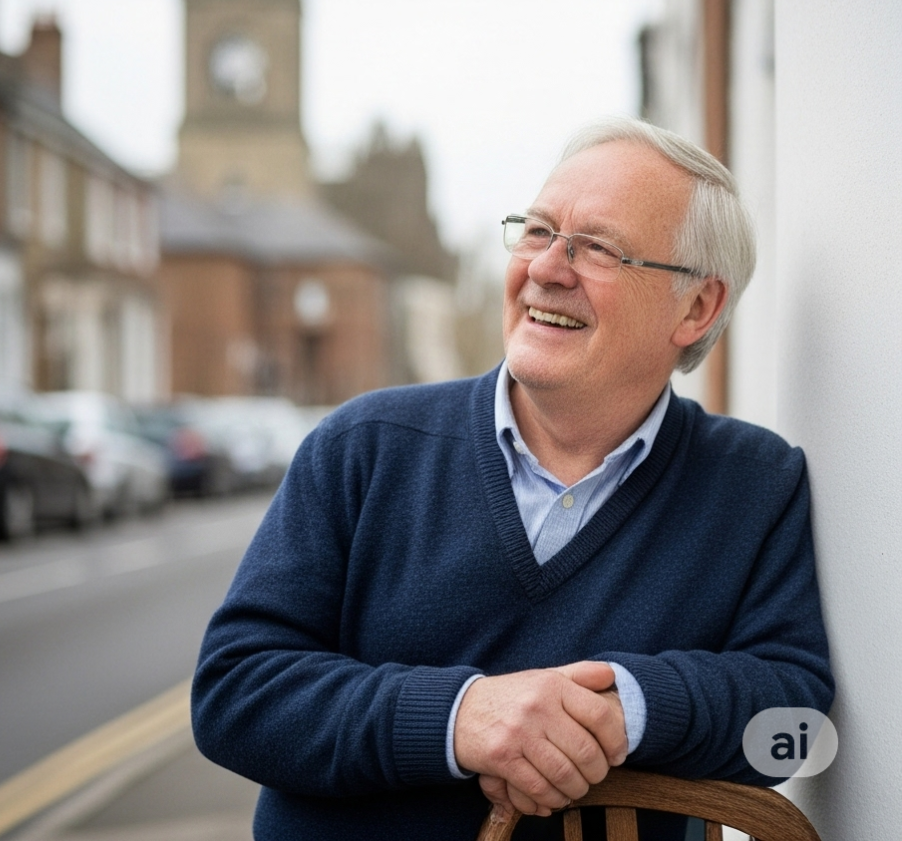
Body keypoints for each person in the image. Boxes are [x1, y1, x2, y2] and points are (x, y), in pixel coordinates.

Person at [191, 118, 834, 841]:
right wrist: (461, 718)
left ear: (697, 307)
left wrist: (625, 710)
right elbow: (232, 695)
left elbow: (799, 735)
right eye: (537, 232)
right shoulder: (362, 447)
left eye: (598, 247)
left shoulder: (756, 484)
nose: (547, 268)